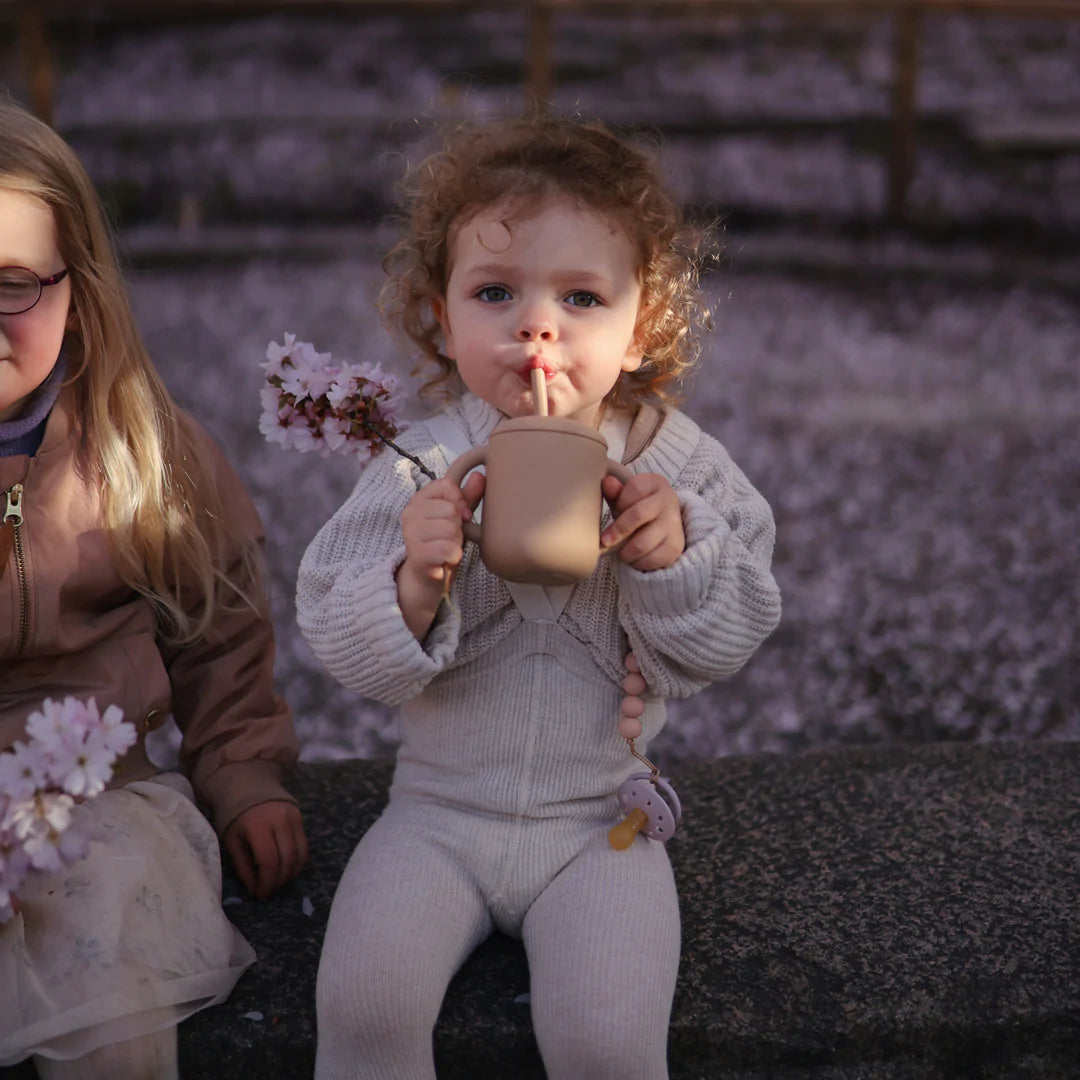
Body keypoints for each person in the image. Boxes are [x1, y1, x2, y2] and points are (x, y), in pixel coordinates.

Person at [296, 113, 781, 1080]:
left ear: (644, 322)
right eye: (495, 292)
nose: (537, 325)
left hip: (601, 823)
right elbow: (329, 629)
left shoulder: (680, 470)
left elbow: (735, 627)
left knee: (607, 1043)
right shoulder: (420, 465)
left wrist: (672, 557)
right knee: (363, 1007)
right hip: (435, 816)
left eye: (582, 296)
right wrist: (412, 581)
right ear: (440, 312)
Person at [0, 99, 308, 1079]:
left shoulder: (142, 449)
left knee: (109, 987)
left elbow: (217, 627)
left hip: (104, 801)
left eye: (11, 285)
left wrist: (242, 768)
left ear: (77, 294)